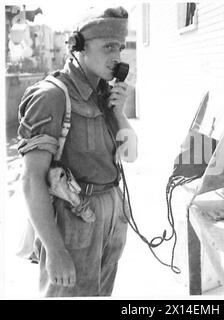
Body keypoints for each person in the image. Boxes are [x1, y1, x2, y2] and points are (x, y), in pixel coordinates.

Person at [16, 6, 137, 297]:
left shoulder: (104, 94)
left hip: (110, 218)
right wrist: (55, 250)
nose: (117, 58)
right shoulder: (52, 96)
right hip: (73, 221)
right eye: (108, 47)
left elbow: (130, 155)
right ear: (79, 46)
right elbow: (31, 180)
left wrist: (119, 114)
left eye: (120, 48)